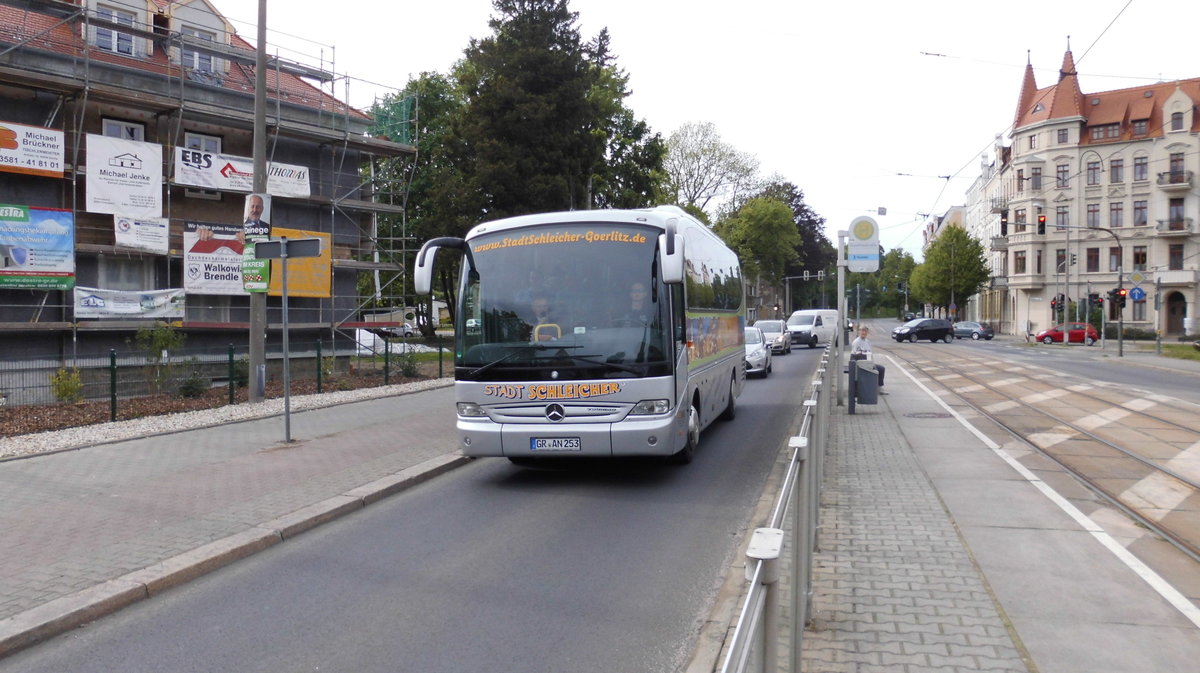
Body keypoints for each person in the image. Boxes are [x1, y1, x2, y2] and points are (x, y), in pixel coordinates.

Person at [850, 325, 886, 394]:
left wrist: (871, 362)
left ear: (867, 332)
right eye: (862, 331)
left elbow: (870, 353)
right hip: (861, 364)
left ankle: (879, 387)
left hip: (868, 363)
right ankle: (871, 388)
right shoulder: (856, 342)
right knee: (875, 370)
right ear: (859, 332)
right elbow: (854, 356)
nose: (863, 333)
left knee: (881, 368)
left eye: (865, 331)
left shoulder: (867, 341)